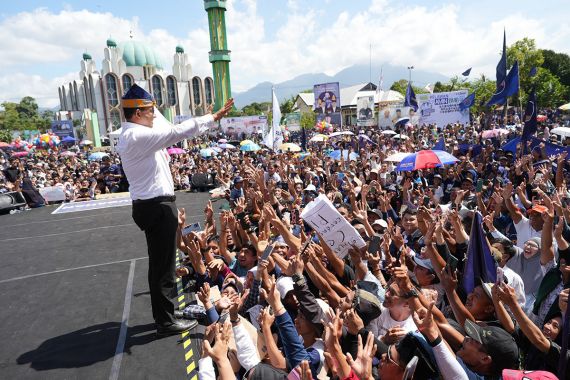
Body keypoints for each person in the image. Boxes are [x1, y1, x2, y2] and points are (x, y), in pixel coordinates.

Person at [116, 83, 233, 336]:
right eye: (149, 111)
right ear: (137, 114)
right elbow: (176, 132)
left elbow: (162, 123)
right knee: (162, 267)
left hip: (154, 205)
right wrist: (211, 118)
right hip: (155, 206)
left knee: (164, 264)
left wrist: (150, 102)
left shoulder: (136, 130)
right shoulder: (137, 136)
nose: (153, 115)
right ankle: (165, 321)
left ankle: (167, 311)